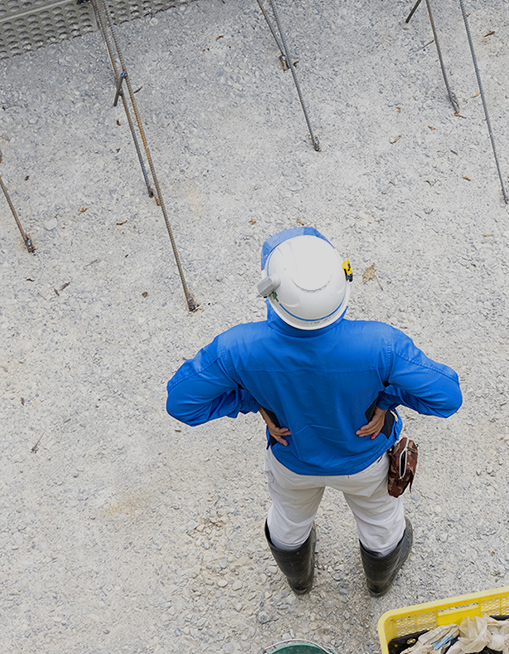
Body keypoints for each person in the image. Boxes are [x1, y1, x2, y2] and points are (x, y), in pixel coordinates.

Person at [166, 226, 462, 598]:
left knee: (289, 520)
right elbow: (447, 397)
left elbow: (182, 403)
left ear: (270, 294)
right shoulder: (380, 344)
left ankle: (299, 580)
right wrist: (387, 401)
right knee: (380, 520)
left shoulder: (238, 348)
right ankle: (378, 581)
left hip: (293, 458)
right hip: (364, 458)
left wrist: (252, 401)